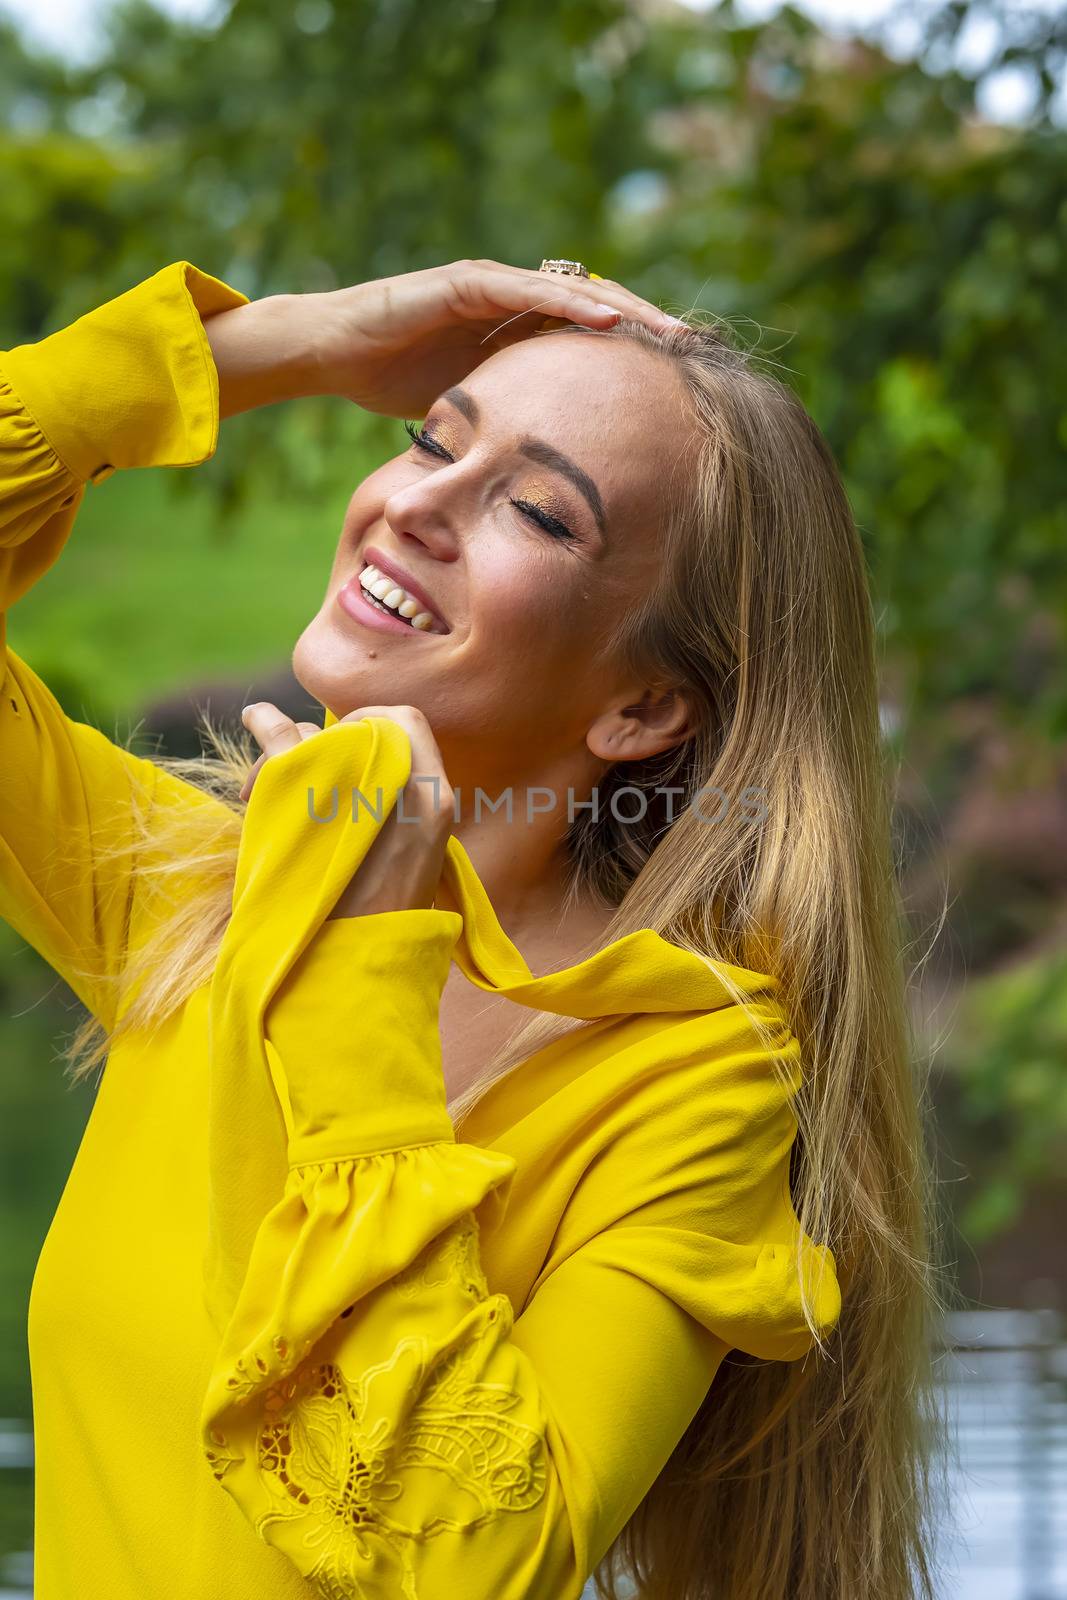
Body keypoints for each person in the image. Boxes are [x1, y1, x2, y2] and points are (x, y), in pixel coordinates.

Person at [0, 256, 943, 1599]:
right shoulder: (195, 898)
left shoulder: (697, 1084)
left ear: (642, 709)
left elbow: (476, 1562)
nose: (412, 506)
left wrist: (357, 982)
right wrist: (285, 344)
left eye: (539, 516)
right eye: (429, 440)